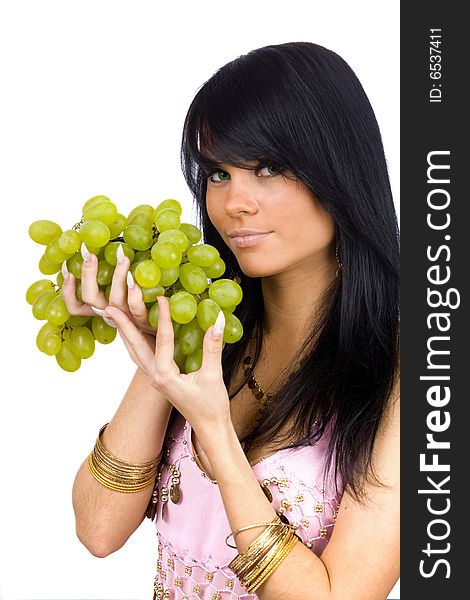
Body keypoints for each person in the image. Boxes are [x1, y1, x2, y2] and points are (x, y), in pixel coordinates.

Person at [65, 41, 400, 599]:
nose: (233, 203)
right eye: (217, 173)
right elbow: (99, 529)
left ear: (337, 168)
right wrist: (157, 354)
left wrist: (216, 431)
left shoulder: (412, 369)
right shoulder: (210, 330)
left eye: (267, 168)